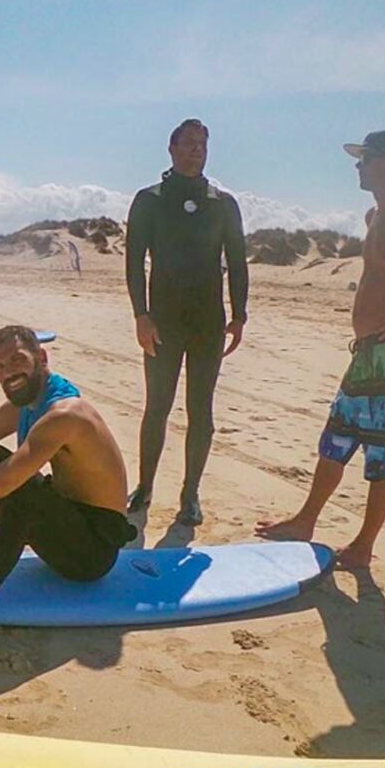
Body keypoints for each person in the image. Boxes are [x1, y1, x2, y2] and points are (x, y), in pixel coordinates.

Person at [256, 132, 385, 568]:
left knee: (382, 455)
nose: (358, 167)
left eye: (366, 159)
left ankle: (364, 546)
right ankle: (306, 521)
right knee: (334, 440)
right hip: (369, 352)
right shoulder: (376, 214)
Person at [0, 325, 133, 649]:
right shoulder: (25, 406)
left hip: (93, 552)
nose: (8, 373)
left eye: (17, 360)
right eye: (0, 367)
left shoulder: (65, 413)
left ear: (41, 358)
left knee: (21, 490)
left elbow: (8, 479)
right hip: (68, 522)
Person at [125, 118, 249, 527]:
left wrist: (239, 315)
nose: (196, 149)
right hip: (163, 321)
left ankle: (190, 493)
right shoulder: (150, 200)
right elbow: (134, 262)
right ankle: (144, 487)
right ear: (172, 148)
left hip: (208, 323)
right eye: (189, 143)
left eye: (202, 143)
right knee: (156, 408)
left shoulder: (222, 203)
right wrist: (141, 315)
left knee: (202, 411)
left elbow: (236, 260)